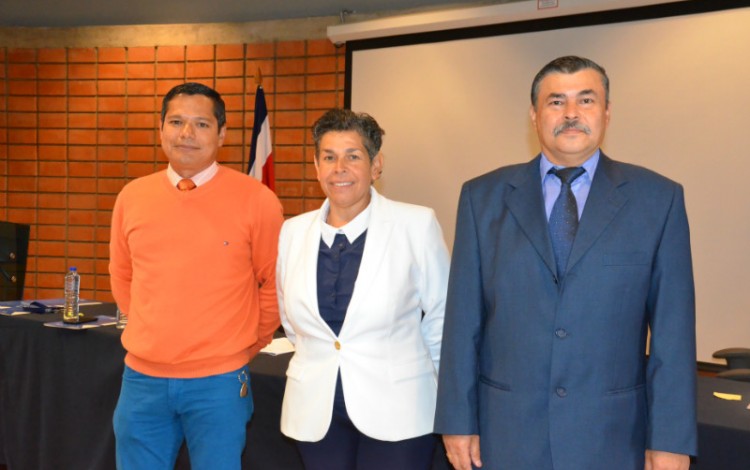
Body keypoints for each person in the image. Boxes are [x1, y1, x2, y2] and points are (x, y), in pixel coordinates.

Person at [434, 56, 697, 470]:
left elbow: (673, 336)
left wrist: (670, 440)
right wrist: (456, 421)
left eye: (586, 100)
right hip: (505, 435)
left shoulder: (658, 199)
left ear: (607, 112)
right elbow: (462, 321)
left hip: (613, 438)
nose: (571, 113)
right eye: (556, 101)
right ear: (534, 115)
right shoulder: (481, 198)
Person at [109, 82, 284, 469]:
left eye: (201, 124)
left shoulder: (257, 200)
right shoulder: (132, 197)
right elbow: (122, 275)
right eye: (176, 121)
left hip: (218, 382)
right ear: (161, 129)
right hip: (141, 380)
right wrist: (151, 329)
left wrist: (247, 344)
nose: (187, 134)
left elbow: (274, 284)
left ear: (221, 134)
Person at [276, 108, 450, 470]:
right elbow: (292, 322)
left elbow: (441, 320)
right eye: (329, 157)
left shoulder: (416, 225)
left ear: (376, 165)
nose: (339, 168)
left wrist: (451, 407)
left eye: (353, 156)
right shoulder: (293, 232)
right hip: (316, 410)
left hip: (399, 409)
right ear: (316, 165)